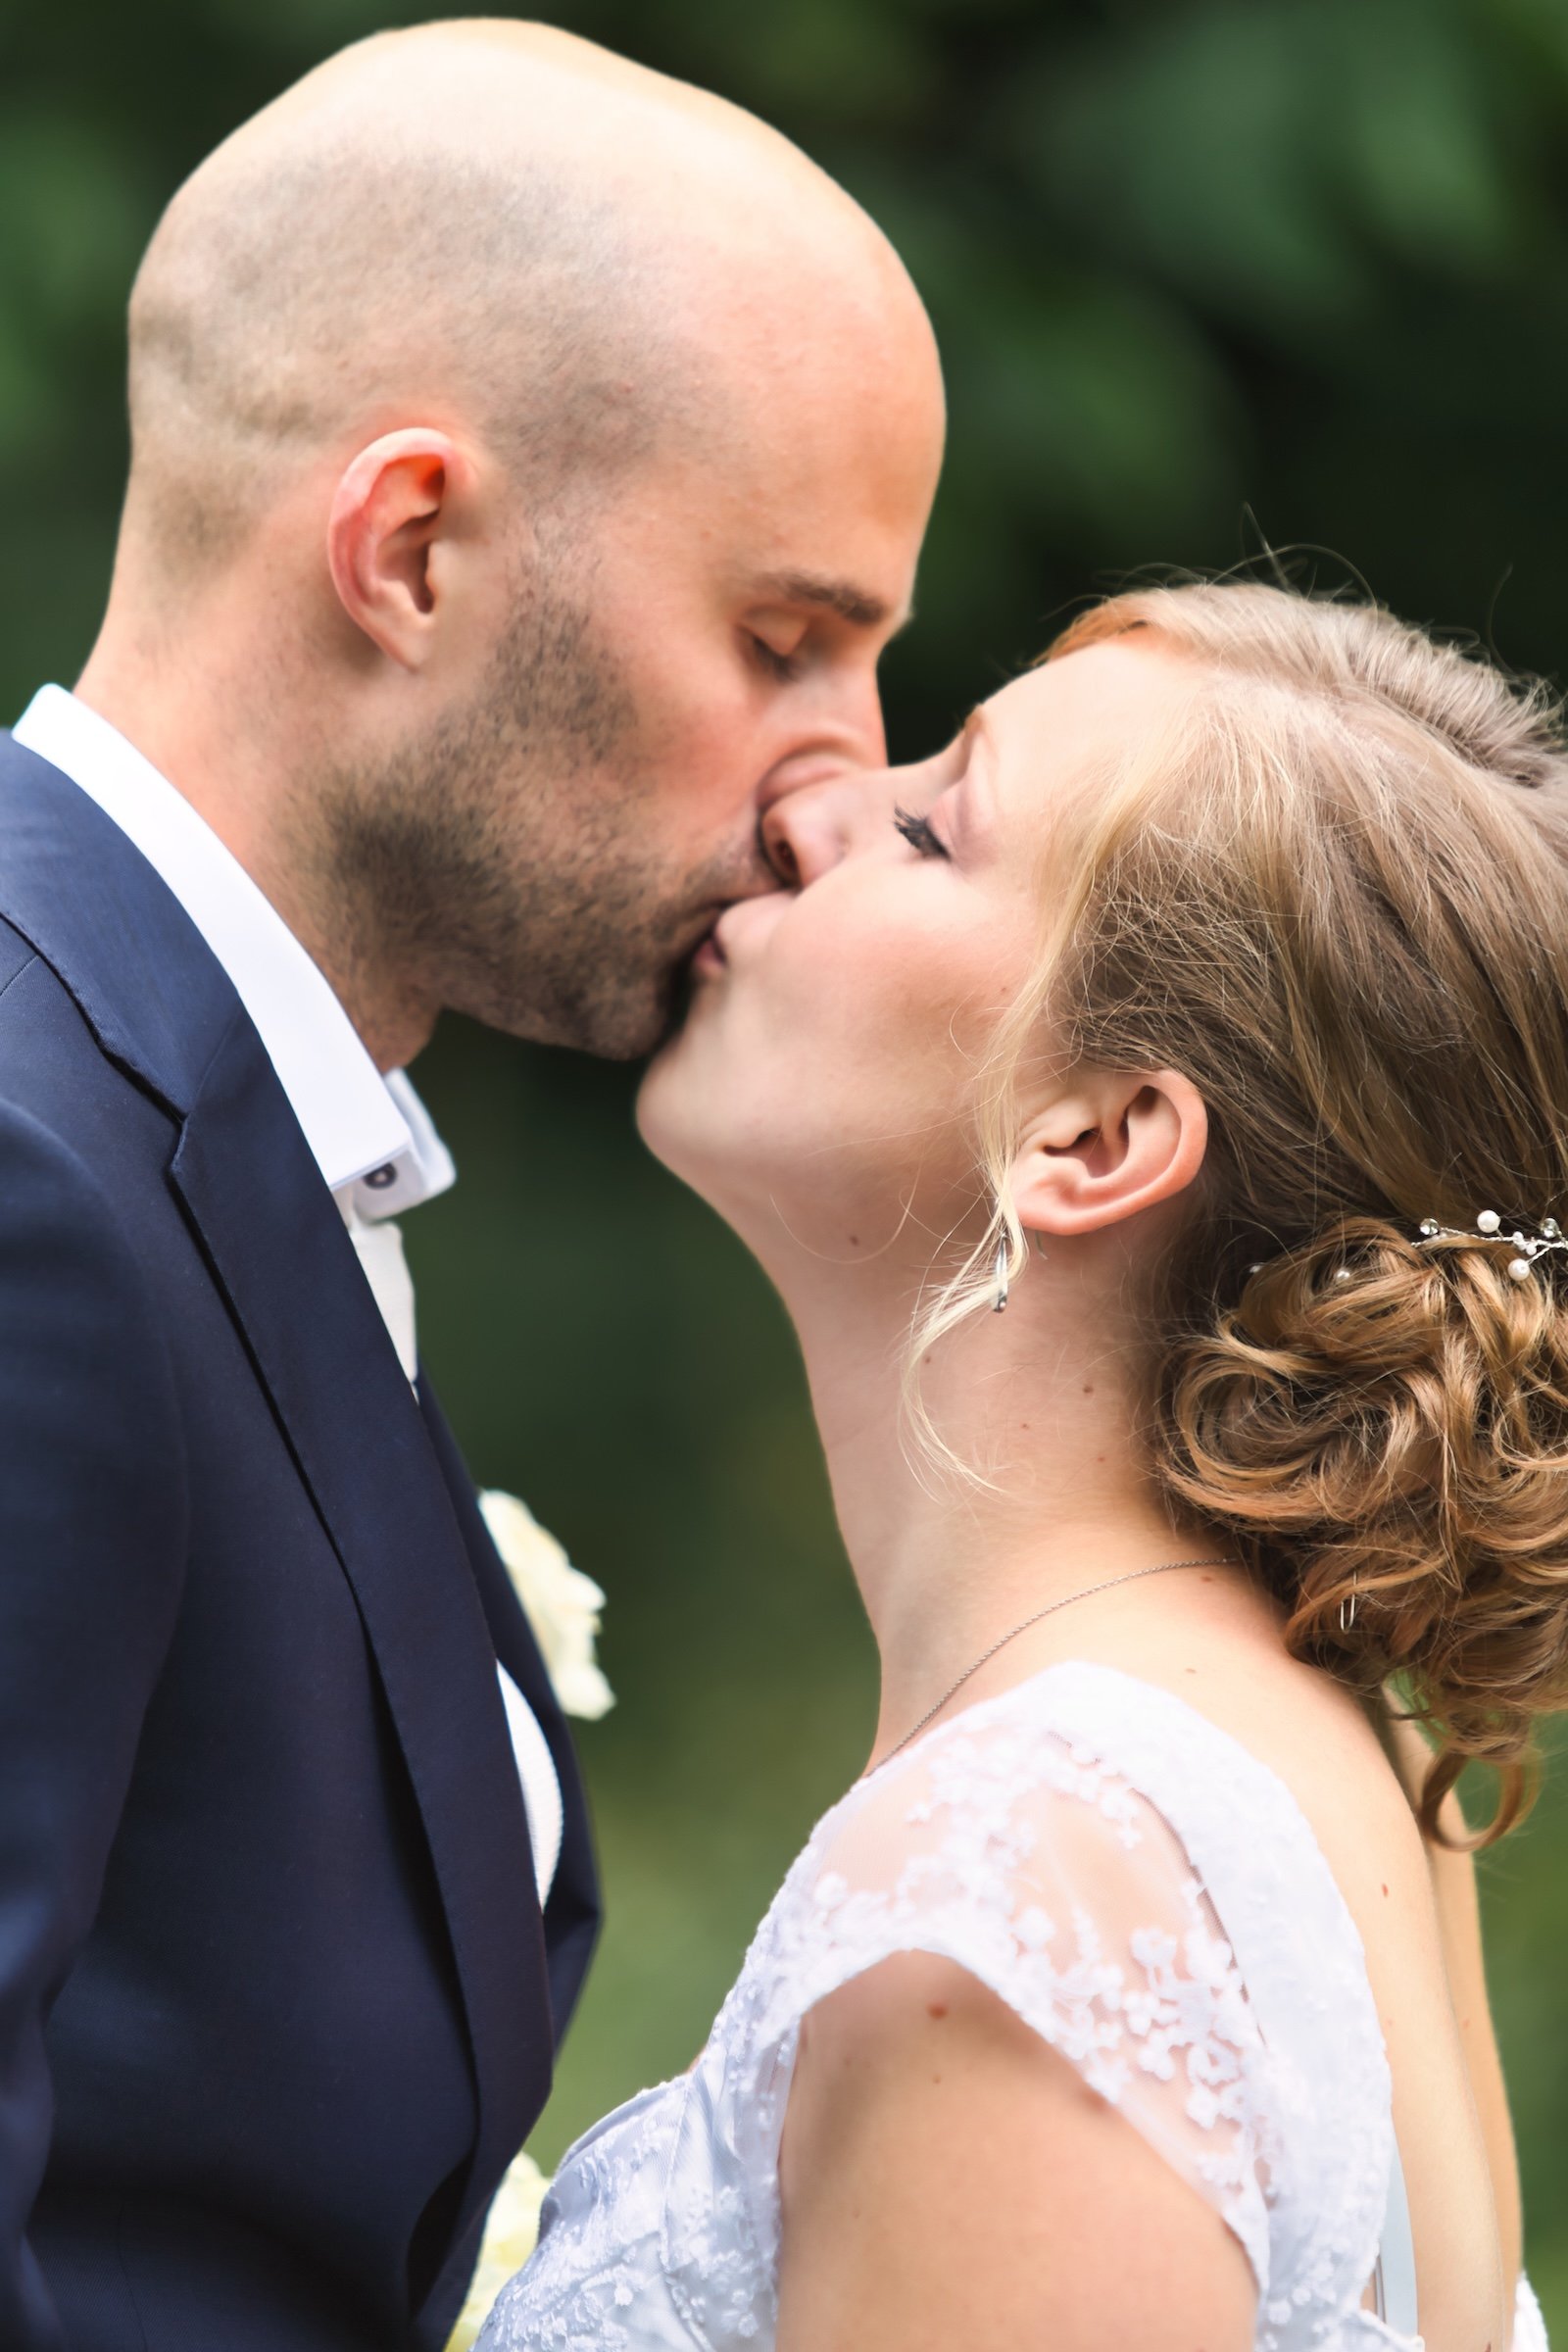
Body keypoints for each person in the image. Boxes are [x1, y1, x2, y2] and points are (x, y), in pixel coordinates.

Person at [0, 20, 943, 2351]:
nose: (843, 790)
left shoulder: (205, 1128)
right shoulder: (24, 1176)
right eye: (782, 643)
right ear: (407, 548)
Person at [479, 579, 1558, 2352]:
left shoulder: (1036, 1884)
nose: (811, 805)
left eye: (928, 824)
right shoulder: (1342, 1768)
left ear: (1097, 1136)